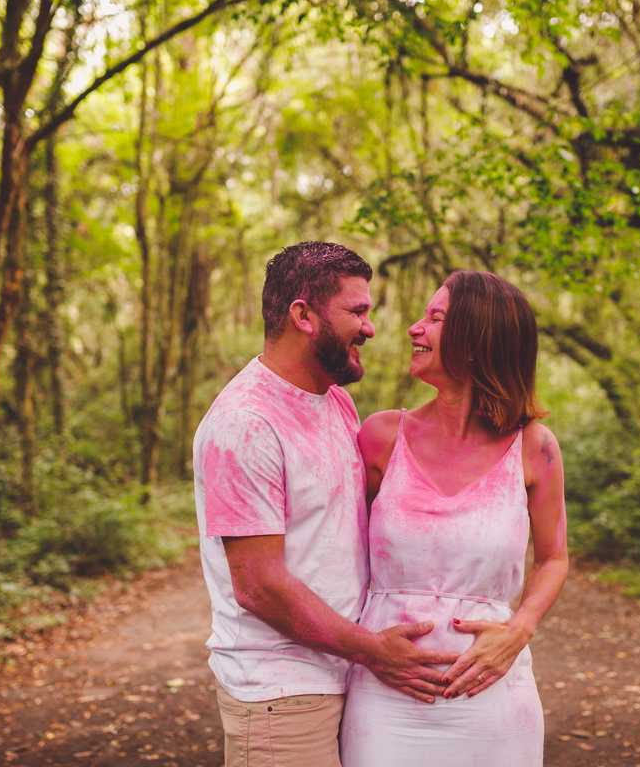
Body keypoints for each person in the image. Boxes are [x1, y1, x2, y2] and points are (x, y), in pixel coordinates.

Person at [192, 241, 461, 767]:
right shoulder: (244, 424)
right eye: (357, 311)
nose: (371, 327)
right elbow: (259, 586)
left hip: (344, 677)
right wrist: (371, 648)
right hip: (279, 693)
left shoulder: (335, 399)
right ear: (303, 315)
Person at [340, 270, 570, 767]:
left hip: (492, 696)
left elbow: (554, 559)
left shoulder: (535, 447)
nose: (413, 329)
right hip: (385, 696)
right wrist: (360, 645)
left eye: (435, 318)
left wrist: (520, 629)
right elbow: (337, 553)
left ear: (478, 336)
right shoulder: (380, 436)